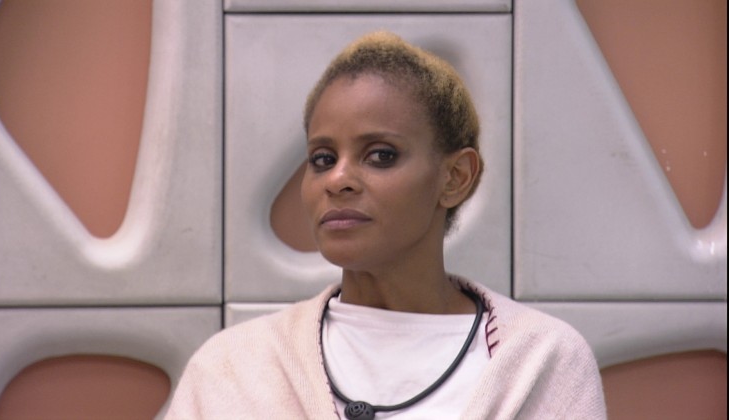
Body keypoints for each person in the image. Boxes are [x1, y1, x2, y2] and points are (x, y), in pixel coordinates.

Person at [166, 31, 606, 419]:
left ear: (455, 178)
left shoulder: (543, 361)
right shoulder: (233, 368)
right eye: (322, 159)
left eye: (380, 155)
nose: (337, 180)